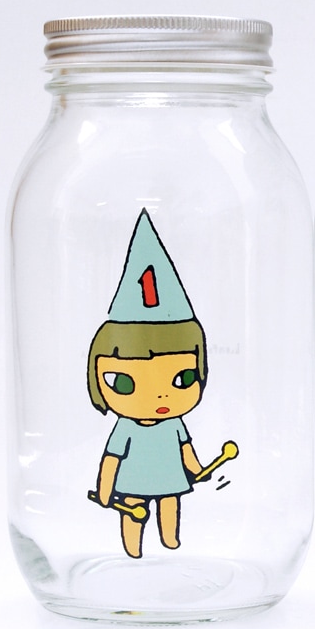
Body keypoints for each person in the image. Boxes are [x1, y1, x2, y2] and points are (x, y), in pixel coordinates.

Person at [87, 210, 212, 559]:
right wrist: (106, 491)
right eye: (124, 382)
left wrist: (197, 469)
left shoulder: (174, 424)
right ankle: (133, 550)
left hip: (170, 478)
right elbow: (111, 459)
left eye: (182, 379)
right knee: (134, 511)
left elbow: (185, 450)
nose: (159, 395)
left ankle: (170, 540)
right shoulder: (126, 428)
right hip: (132, 483)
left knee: (170, 503)